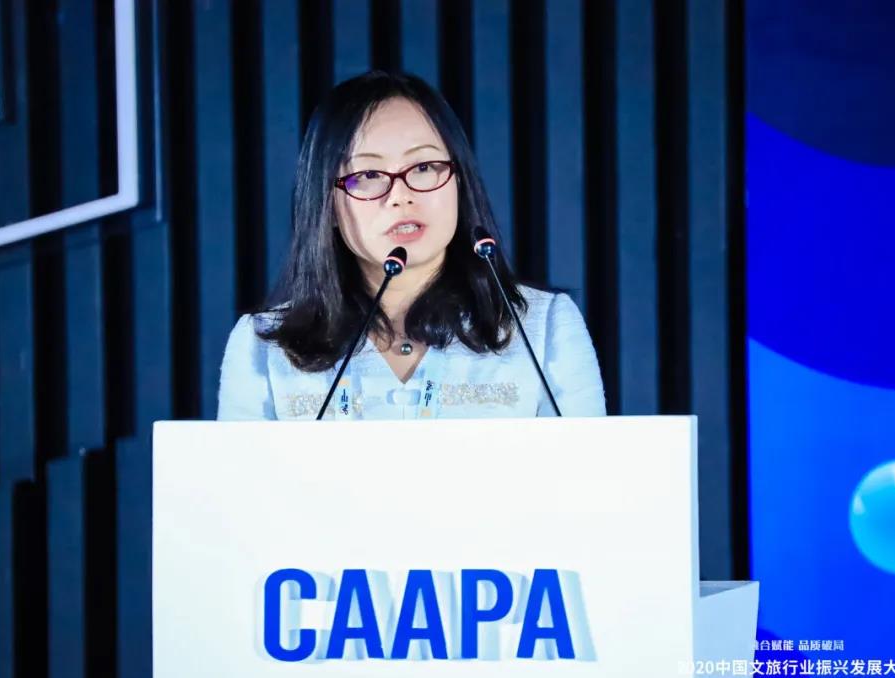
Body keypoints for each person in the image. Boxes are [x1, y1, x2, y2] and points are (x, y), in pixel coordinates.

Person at [217, 70, 605, 421]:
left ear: (458, 181)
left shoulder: (545, 327)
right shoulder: (261, 348)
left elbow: (590, 472)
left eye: (423, 168)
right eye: (368, 174)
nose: (400, 196)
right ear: (327, 203)